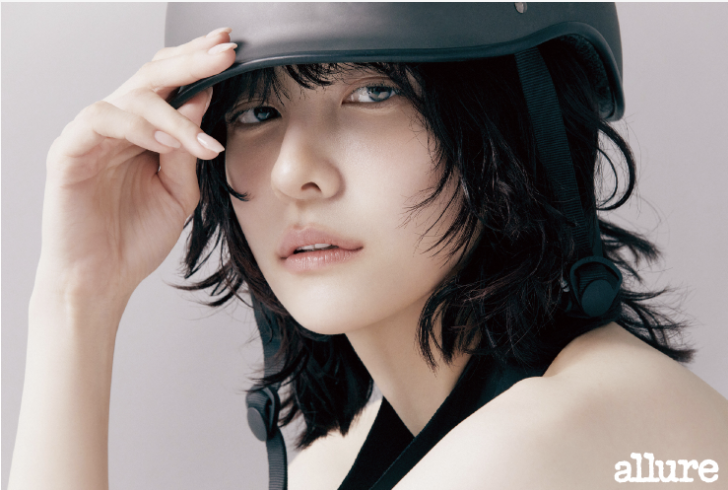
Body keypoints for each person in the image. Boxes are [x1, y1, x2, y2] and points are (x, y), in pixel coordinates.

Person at [8, 4, 728, 490]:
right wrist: (78, 296)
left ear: (513, 126)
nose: (293, 173)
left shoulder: (546, 440)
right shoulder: (335, 460)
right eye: (257, 110)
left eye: (374, 94)